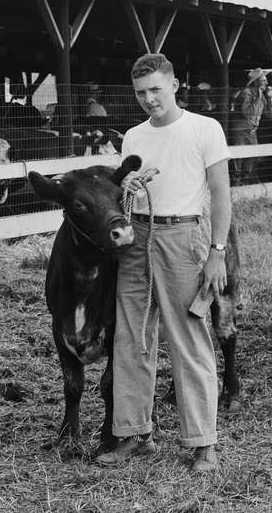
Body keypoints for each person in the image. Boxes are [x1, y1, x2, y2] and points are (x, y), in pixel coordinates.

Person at [95, 53, 231, 475]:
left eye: (156, 89)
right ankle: (135, 433)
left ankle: (202, 442)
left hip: (183, 237)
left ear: (175, 84)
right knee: (132, 335)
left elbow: (221, 194)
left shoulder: (204, 129)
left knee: (188, 337)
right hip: (138, 236)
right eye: (141, 92)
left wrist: (217, 251)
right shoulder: (134, 137)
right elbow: (124, 198)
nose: (149, 99)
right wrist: (128, 189)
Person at [228, 68, 272, 183]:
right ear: (256, 81)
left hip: (252, 132)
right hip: (240, 131)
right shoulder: (246, 93)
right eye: (263, 81)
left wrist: (270, 98)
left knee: (252, 157)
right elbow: (247, 113)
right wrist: (258, 97)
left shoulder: (262, 96)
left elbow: (271, 115)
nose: (266, 83)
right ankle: (236, 184)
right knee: (238, 160)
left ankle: (245, 182)